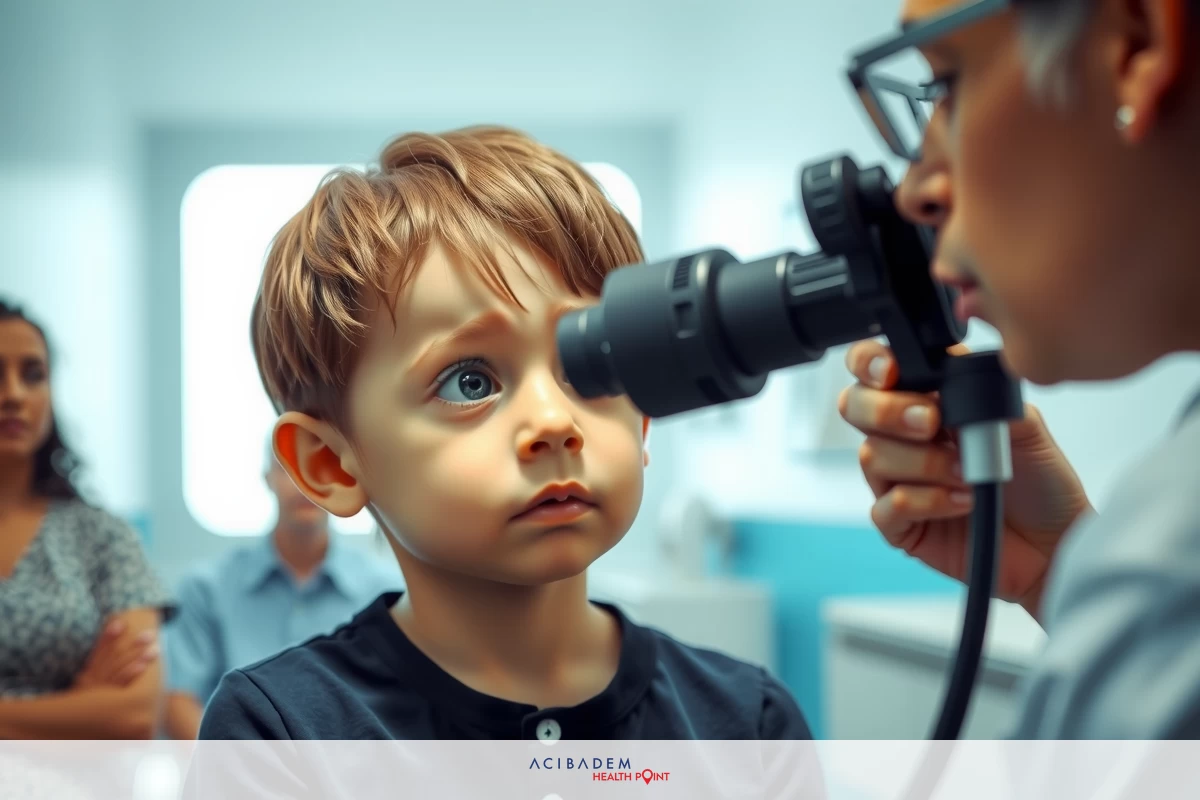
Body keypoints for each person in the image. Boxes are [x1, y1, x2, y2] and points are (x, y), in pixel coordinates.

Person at [198, 125, 814, 742]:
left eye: (590, 363)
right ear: (331, 465)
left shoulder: (750, 724)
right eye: (470, 382)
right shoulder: (278, 735)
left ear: (643, 414)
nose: (554, 422)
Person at [838, 0, 1200, 737]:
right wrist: (1063, 567)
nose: (915, 191)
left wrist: (1136, 594)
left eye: (948, 85)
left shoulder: (1175, 568)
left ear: (1137, 43)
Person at [0, 298, 173, 738]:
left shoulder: (102, 536)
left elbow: (134, 714)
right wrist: (79, 702)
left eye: (33, 375)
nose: (13, 394)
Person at [160, 435, 403, 739]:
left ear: (344, 479)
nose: (305, 482)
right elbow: (179, 701)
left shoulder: (387, 591)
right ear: (268, 479)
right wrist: (233, 764)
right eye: (290, 468)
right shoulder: (205, 588)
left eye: (323, 466)